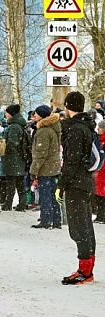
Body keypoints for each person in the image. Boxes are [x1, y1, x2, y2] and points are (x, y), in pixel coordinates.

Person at [60, 92, 97, 285]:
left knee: (78, 227)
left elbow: (71, 160)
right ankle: (88, 267)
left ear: (68, 106)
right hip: (86, 181)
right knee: (86, 226)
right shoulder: (88, 127)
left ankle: (85, 271)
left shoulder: (75, 129)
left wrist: (62, 182)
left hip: (76, 182)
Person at [28, 105, 62, 229]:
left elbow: (40, 154)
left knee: (45, 195)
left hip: (45, 168)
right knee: (53, 195)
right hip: (53, 167)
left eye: (36, 114)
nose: (34, 116)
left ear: (42, 115)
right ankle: (56, 220)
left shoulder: (43, 131)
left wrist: (34, 171)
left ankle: (46, 220)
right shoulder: (53, 127)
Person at [0, 104, 28, 211]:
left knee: (11, 183)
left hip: (13, 159)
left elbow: (12, 143)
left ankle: (8, 204)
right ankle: (22, 204)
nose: (5, 115)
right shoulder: (19, 125)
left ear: (11, 114)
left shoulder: (14, 127)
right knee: (20, 183)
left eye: (6, 113)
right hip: (19, 158)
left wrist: (3, 149)